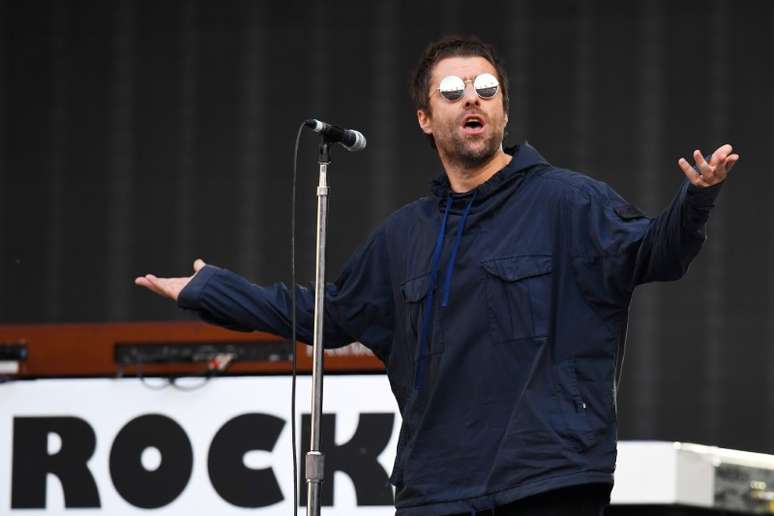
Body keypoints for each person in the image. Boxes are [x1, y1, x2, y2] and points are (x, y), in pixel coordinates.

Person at [136, 36, 738, 516]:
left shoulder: (569, 201)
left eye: (485, 89)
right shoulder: (405, 236)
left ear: (504, 108)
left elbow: (656, 253)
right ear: (426, 118)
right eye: (452, 92)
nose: (471, 99)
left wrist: (695, 202)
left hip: (548, 480)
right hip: (436, 489)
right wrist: (210, 291)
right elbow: (327, 313)